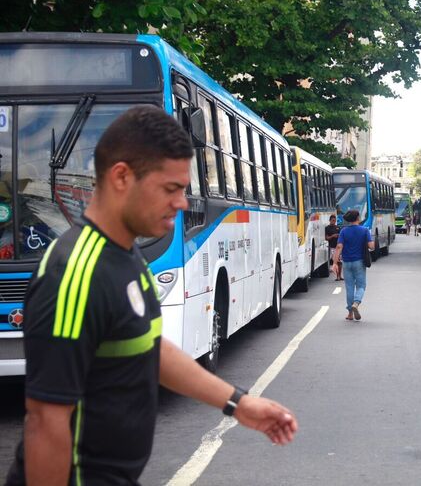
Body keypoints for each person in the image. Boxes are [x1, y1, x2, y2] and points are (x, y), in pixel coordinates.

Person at [5, 106, 297, 486]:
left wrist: (237, 403)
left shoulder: (125, 255)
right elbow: (46, 423)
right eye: (170, 189)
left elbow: (152, 349)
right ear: (122, 177)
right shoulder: (74, 275)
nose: (181, 203)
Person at [330, 209, 374, 321]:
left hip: (346, 263)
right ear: (358, 218)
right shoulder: (364, 230)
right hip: (359, 262)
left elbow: (339, 247)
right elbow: (371, 246)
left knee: (349, 288)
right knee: (361, 286)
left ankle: (350, 313)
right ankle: (356, 302)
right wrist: (372, 241)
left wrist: (334, 263)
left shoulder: (344, 231)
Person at [325, 214, 342, 281]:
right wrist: (332, 236)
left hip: (339, 246)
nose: (334, 222)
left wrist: (338, 236)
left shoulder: (337, 227)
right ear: (330, 220)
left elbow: (341, 236)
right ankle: (337, 276)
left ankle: (340, 276)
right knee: (336, 261)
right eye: (332, 220)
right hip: (332, 247)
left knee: (340, 262)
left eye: (335, 221)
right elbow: (326, 238)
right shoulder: (327, 228)